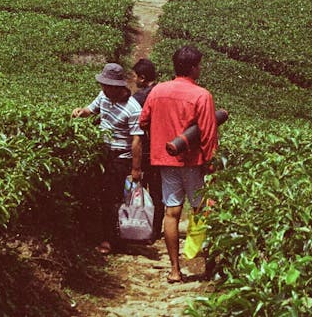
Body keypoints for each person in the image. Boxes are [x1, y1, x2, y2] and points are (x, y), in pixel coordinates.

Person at [139, 45, 218, 283]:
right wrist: (211, 163)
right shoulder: (202, 95)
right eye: (199, 65)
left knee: (171, 213)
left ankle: (174, 270)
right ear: (194, 67)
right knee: (202, 211)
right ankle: (207, 265)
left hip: (165, 161)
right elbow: (208, 134)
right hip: (193, 162)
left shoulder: (158, 90)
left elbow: (144, 120)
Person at [71, 62, 144, 255]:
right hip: (102, 152)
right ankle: (105, 235)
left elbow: (137, 140)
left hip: (120, 157)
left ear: (118, 86)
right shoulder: (104, 95)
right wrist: (81, 111)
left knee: (111, 199)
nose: (103, 89)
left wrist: (136, 169)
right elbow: (91, 109)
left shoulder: (133, 108)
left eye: (107, 86)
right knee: (102, 196)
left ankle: (110, 240)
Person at [130, 57, 164, 242]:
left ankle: (138, 226)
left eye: (135, 76)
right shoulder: (162, 92)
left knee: (138, 189)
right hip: (162, 149)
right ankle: (155, 230)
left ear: (142, 78)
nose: (134, 80)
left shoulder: (139, 98)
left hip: (144, 148)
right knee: (157, 193)